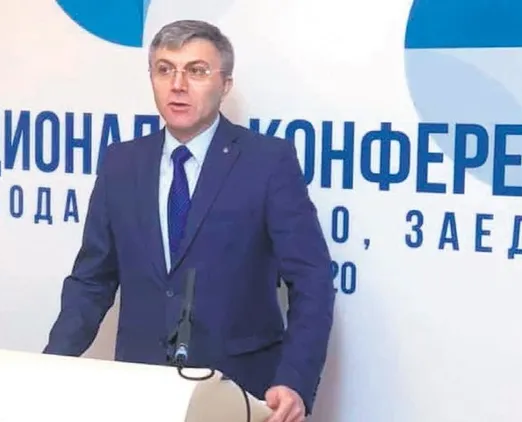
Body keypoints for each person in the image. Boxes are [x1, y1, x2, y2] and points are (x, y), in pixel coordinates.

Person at [43, 19, 335, 422]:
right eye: (165, 69)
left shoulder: (268, 162)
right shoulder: (121, 162)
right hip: (141, 389)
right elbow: (92, 280)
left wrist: (294, 381)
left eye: (196, 71)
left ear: (225, 84)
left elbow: (312, 280)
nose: (177, 85)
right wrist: (51, 364)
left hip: (239, 392)